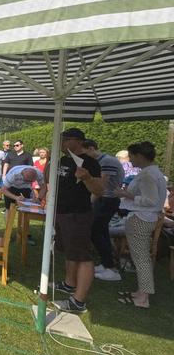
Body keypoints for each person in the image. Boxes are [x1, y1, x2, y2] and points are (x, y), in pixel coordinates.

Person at [52, 128, 103, 314]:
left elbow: (99, 190)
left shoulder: (90, 163)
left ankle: (78, 302)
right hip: (61, 214)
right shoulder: (64, 160)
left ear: (77, 141)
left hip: (78, 215)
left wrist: (87, 177)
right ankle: (68, 283)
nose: (62, 143)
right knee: (69, 251)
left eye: (65, 140)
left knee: (82, 256)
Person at [115, 141, 167, 309]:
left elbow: (149, 200)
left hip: (141, 218)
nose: (130, 160)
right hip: (145, 218)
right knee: (140, 258)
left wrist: (125, 194)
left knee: (141, 259)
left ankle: (143, 298)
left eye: (131, 157)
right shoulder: (153, 172)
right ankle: (140, 292)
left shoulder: (147, 175)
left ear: (140, 156)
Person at [80, 140, 125, 282]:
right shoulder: (101, 161)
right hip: (104, 200)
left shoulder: (106, 162)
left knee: (95, 231)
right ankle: (107, 264)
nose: (83, 156)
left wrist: (88, 203)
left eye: (84, 152)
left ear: (91, 148)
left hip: (107, 200)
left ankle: (110, 268)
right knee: (101, 231)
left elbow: (100, 187)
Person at [0, 164, 46, 246]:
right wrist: (15, 197)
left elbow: (44, 188)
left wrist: (38, 198)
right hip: (11, 188)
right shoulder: (13, 174)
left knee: (26, 211)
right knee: (9, 210)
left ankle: (25, 235)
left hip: (26, 189)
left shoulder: (38, 173)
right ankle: (8, 234)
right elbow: (3, 190)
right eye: (27, 180)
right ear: (22, 174)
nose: (28, 182)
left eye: (31, 181)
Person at [2, 139, 32, 212]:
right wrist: (3, 175)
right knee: (8, 206)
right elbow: (6, 164)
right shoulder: (10, 154)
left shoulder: (27, 155)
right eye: (14, 146)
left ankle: (22, 221)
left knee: (24, 206)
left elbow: (30, 167)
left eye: (17, 145)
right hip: (10, 181)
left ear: (22, 145)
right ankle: (7, 222)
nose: (15, 147)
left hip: (22, 183)